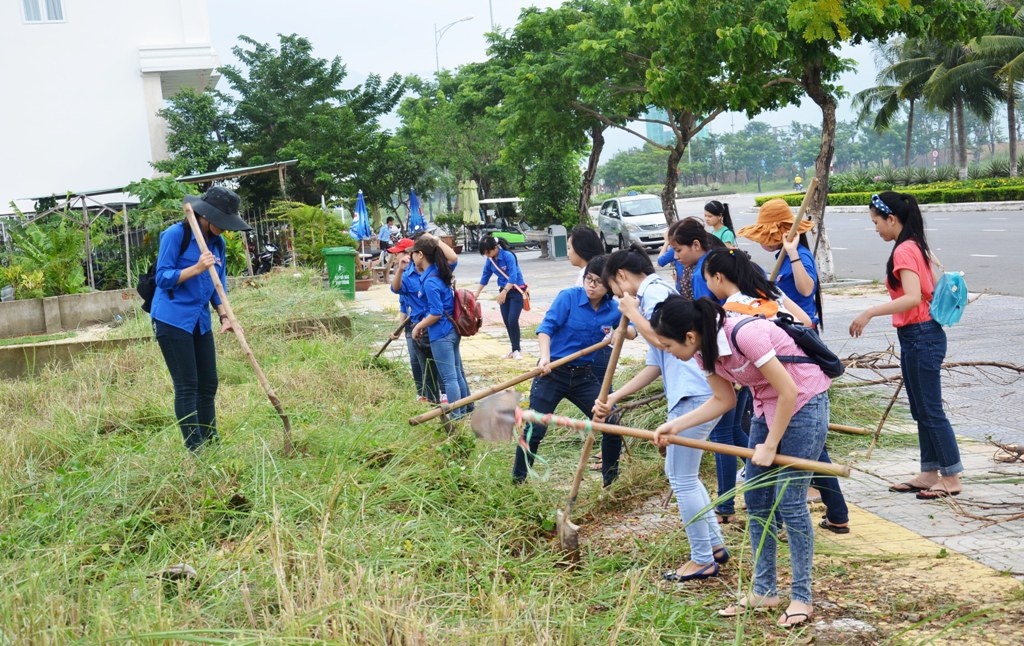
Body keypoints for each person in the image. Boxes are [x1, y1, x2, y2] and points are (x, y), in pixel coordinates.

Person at [650, 295, 831, 628]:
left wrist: (770, 445)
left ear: (689, 336)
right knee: (757, 501)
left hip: (805, 404)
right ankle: (764, 591)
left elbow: (789, 390)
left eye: (667, 345)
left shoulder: (745, 335)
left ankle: (802, 597)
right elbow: (724, 399)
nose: (667, 353)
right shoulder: (704, 351)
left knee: (790, 502)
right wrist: (676, 425)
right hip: (765, 407)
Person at [593, 244, 726, 582]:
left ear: (621, 276)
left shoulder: (653, 293)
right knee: (685, 475)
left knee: (681, 478)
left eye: (614, 290)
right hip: (692, 394)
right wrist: (614, 396)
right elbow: (655, 363)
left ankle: (702, 558)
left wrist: (633, 313)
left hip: (693, 395)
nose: (618, 298)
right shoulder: (652, 295)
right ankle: (713, 546)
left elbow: (658, 338)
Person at [702, 248, 849, 534]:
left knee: (782, 457)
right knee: (811, 450)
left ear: (718, 277)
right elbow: (805, 321)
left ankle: (781, 522)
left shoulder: (732, 311)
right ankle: (837, 513)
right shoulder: (769, 292)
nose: (708, 285)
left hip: (777, 388)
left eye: (708, 278)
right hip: (807, 379)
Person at [850, 192, 963, 500]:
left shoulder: (904, 250)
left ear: (891, 219)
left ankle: (951, 477)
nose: (875, 228)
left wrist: (869, 312)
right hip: (918, 335)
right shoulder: (914, 244)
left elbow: (913, 297)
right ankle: (929, 473)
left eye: (876, 222)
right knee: (921, 408)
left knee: (930, 410)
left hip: (921, 335)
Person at [513, 255, 630, 486]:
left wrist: (622, 331)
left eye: (598, 282)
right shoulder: (568, 297)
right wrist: (544, 358)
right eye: (588, 279)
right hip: (552, 373)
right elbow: (546, 329)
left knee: (611, 423)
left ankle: (611, 483)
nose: (591, 285)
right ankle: (518, 482)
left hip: (583, 375)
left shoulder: (613, 309)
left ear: (609, 285)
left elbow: (632, 328)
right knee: (535, 429)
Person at [151, 187, 251, 453]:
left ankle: (211, 442)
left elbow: (218, 286)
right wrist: (196, 267)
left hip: (200, 319)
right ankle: (195, 449)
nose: (225, 229)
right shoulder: (175, 235)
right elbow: (162, 277)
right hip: (172, 319)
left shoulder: (218, 243)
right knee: (187, 386)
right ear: (206, 215)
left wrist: (224, 316)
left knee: (208, 383)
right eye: (222, 222)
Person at [410, 237, 471, 417]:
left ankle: (456, 415)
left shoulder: (430, 281)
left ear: (420, 254)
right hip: (452, 330)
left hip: (441, 333)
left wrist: (418, 326)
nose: (411, 257)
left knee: (449, 378)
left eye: (413, 254)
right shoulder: (439, 271)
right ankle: (465, 410)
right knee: (456, 374)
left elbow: (436, 313)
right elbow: (453, 258)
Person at [738, 198, 822, 327]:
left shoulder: (800, 255)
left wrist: (793, 253)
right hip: (786, 323)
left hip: (800, 328)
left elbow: (806, 290)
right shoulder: (783, 255)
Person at [390, 236, 438, 403]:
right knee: (415, 361)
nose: (394, 256)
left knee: (430, 363)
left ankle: (437, 396)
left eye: (397, 253)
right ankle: (421, 394)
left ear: (410, 254)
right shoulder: (405, 274)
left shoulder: (428, 272)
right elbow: (402, 302)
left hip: (430, 324)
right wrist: (399, 329)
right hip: (413, 325)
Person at [474, 236, 527, 359]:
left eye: (488, 252)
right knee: (507, 321)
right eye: (485, 253)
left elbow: (513, 277)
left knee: (513, 320)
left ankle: (517, 350)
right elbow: (485, 276)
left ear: (495, 248)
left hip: (516, 291)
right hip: (503, 291)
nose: (487, 255)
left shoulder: (508, 256)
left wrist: (504, 291)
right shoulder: (490, 260)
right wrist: (477, 293)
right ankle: (514, 349)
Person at [658, 217, 723, 301]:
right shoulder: (715, 258)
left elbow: (704, 308)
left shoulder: (701, 273)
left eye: (678, 250)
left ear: (696, 245)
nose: (675, 257)